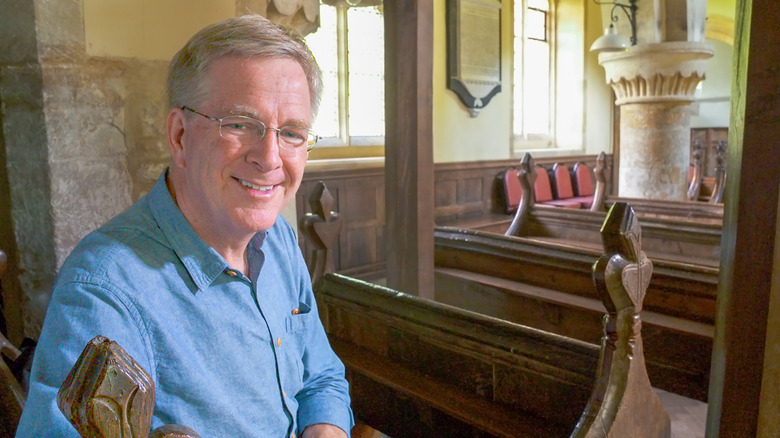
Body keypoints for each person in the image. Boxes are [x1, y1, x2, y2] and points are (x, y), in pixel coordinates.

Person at [16, 14, 353, 438]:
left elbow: (321, 375)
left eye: (291, 133)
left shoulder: (279, 238)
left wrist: (327, 429)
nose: (270, 158)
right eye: (239, 124)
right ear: (179, 135)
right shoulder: (103, 290)